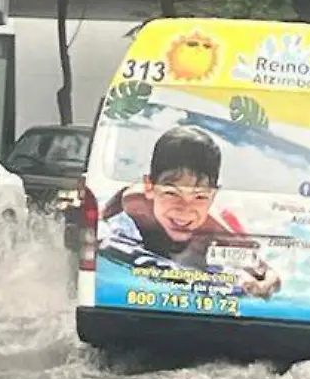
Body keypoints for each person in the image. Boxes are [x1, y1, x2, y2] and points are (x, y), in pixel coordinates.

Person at [98, 124, 282, 299]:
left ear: (213, 196)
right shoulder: (135, 202)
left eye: (200, 196)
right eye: (171, 193)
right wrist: (102, 214)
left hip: (197, 256)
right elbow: (117, 201)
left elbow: (271, 275)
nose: (184, 210)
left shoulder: (216, 230)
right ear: (149, 187)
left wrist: (260, 287)